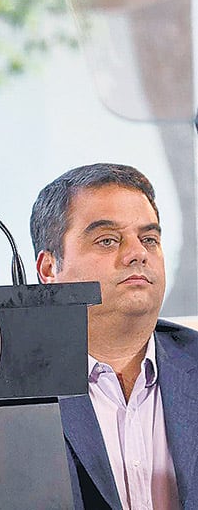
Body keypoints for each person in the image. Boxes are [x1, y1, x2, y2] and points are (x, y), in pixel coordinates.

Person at [32, 163, 197, 509]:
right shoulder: (12, 389)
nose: (138, 253)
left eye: (149, 239)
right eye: (107, 240)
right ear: (50, 269)